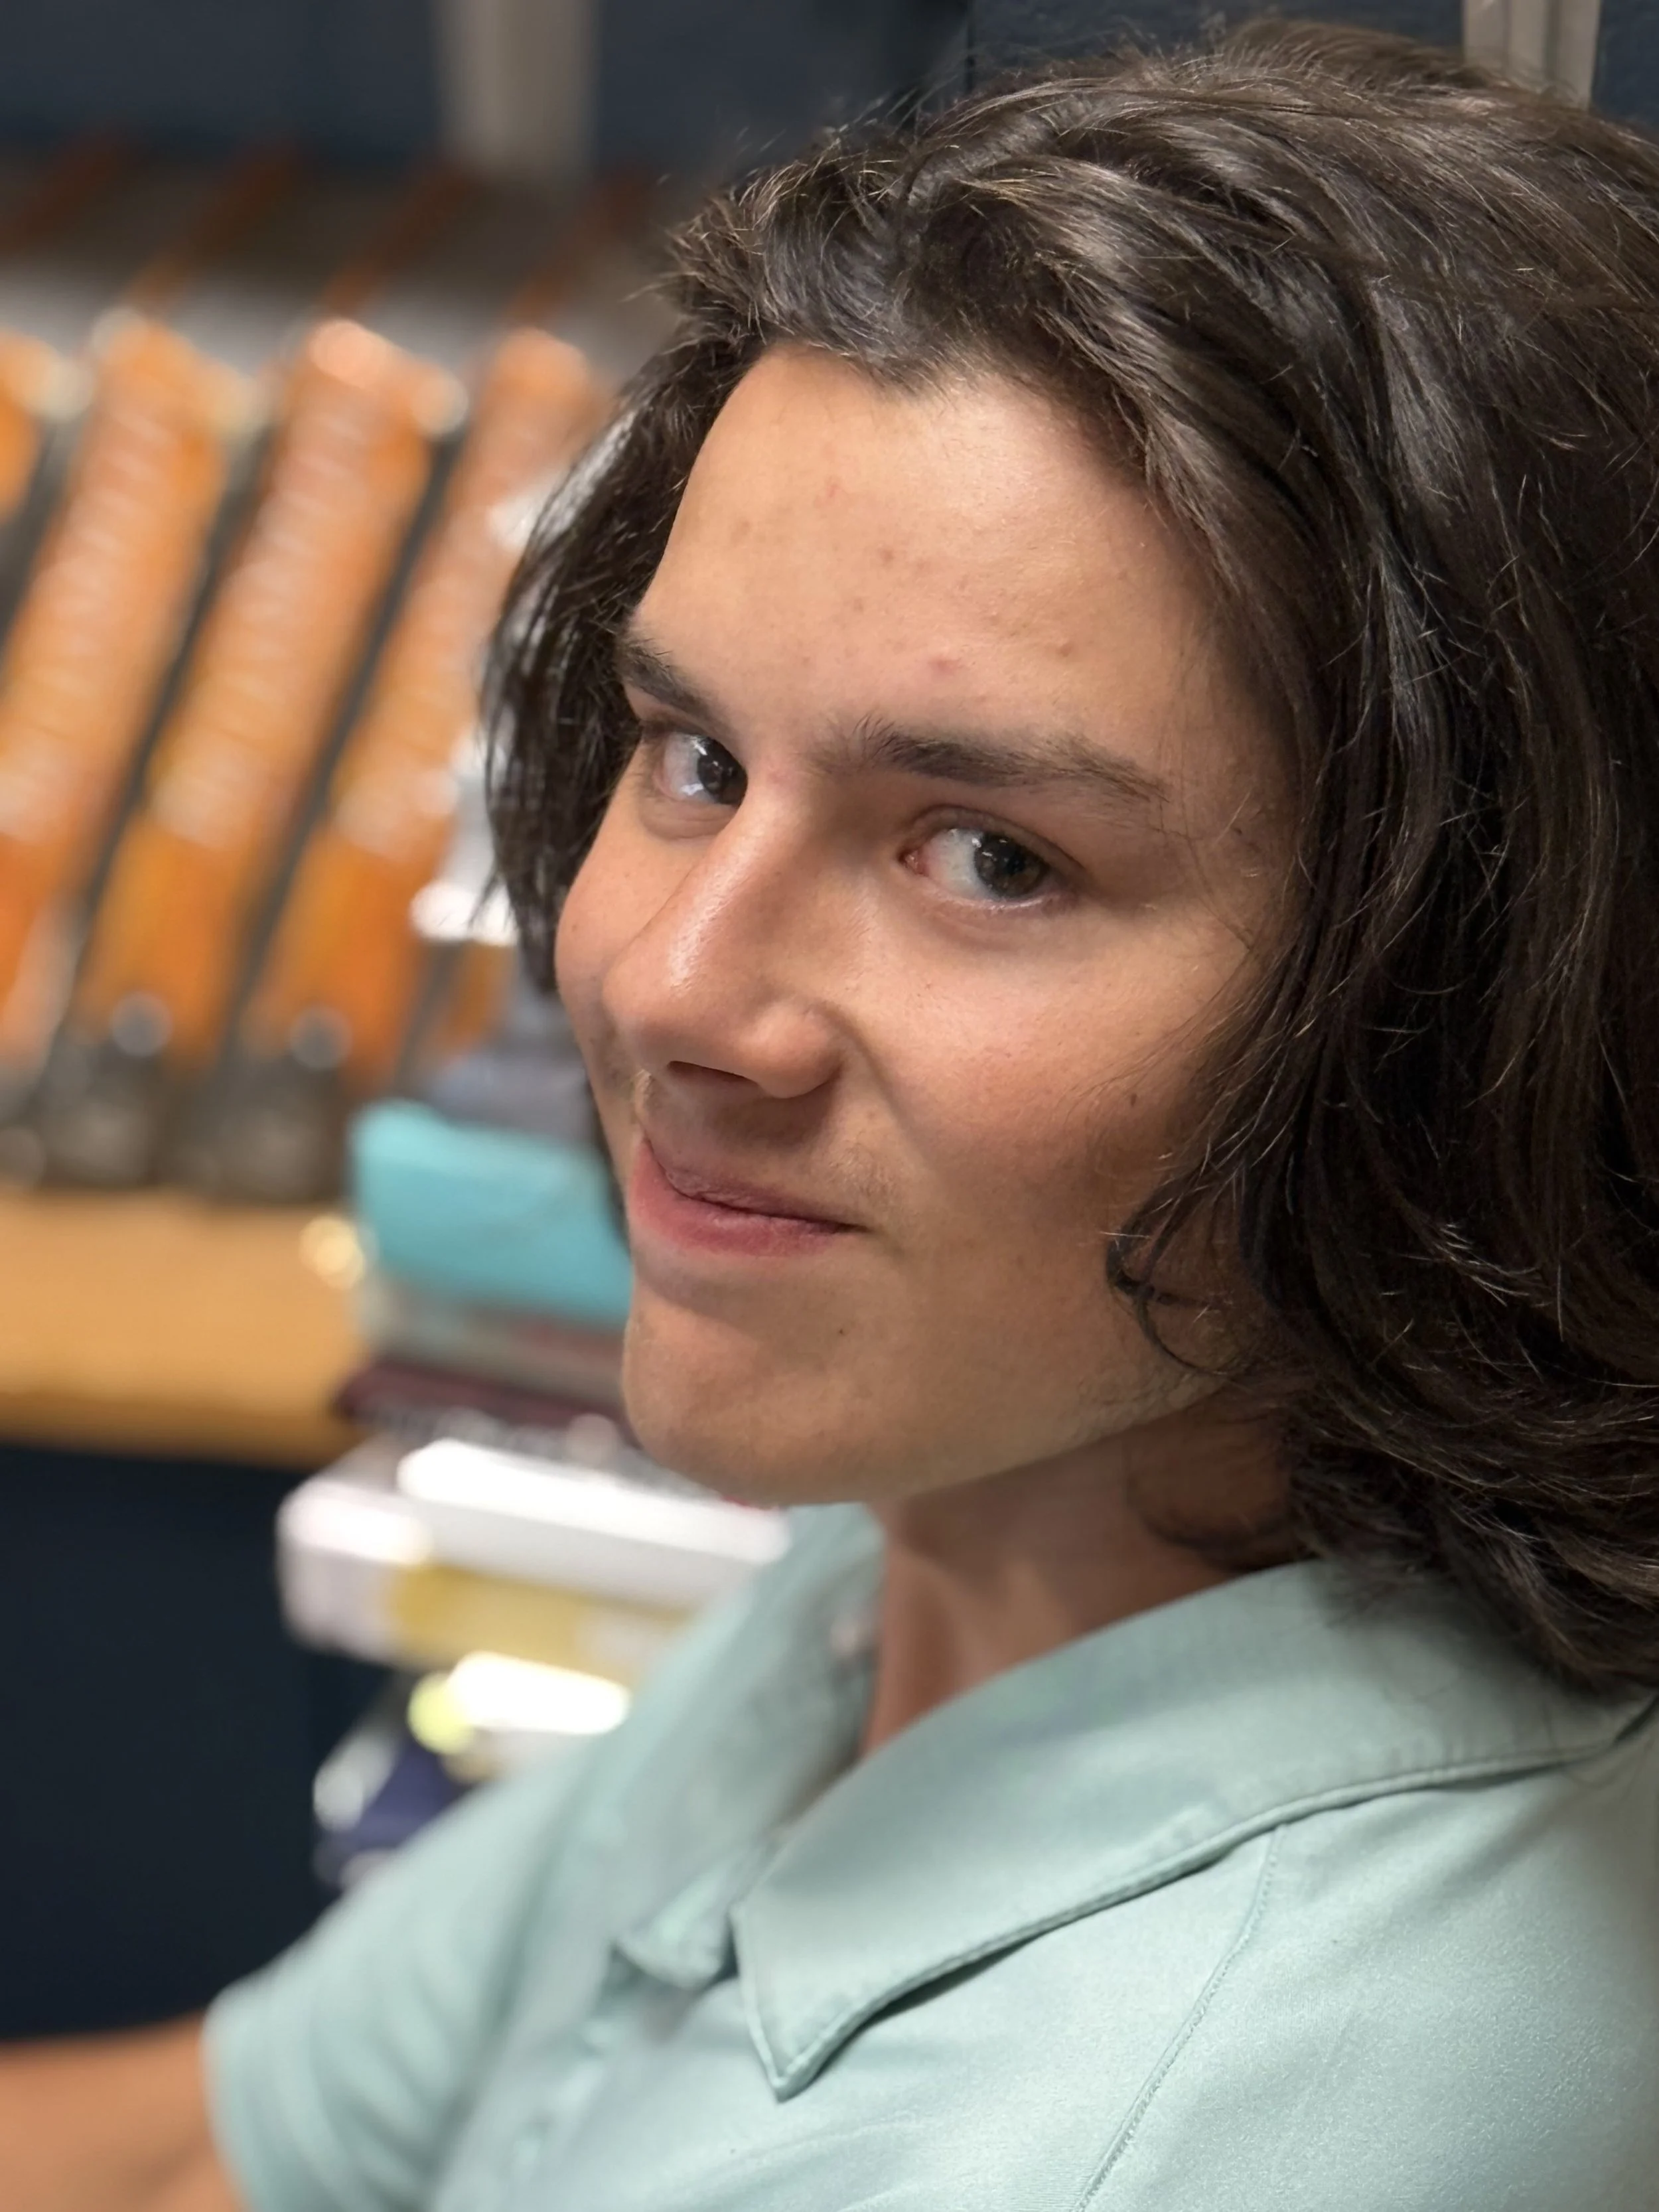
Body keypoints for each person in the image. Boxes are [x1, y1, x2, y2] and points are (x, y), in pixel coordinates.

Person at [7, 17, 1659, 2208]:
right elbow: (221, 2147)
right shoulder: (1015, 1527)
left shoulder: (1125, 2137)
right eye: (691, 758)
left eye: (985, 855)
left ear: (1470, 1005)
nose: (673, 989)